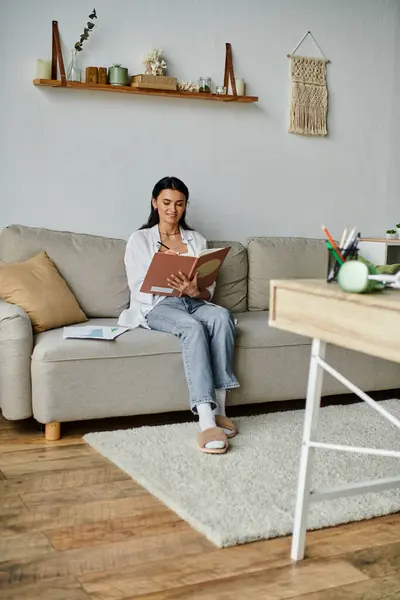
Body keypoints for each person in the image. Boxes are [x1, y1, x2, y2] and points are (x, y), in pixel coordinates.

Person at [119, 176, 240, 454]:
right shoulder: (139, 240)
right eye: (166, 203)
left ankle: (220, 408)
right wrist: (167, 284)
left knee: (222, 316)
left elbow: (208, 291)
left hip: (192, 301)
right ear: (154, 203)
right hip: (158, 306)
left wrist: (194, 289)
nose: (172, 209)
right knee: (193, 329)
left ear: (185, 206)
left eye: (179, 204)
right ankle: (206, 419)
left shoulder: (196, 239)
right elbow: (137, 287)